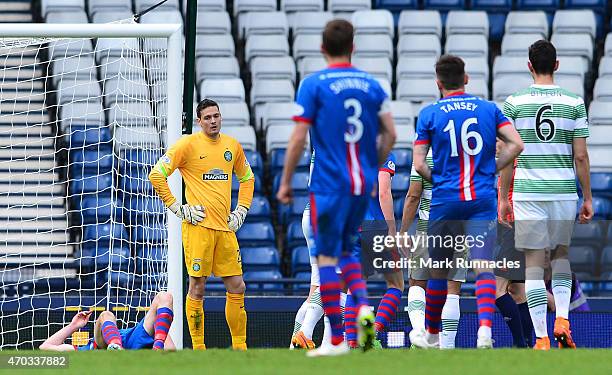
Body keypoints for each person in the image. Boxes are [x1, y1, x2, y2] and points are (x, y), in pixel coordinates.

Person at [277, 19, 397, 356]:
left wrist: (286, 181)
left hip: (327, 187)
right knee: (350, 262)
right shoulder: (372, 85)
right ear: (353, 48)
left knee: (329, 262)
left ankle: (334, 341)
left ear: (322, 49)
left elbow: (299, 137)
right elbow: (391, 134)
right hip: (360, 187)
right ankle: (362, 324)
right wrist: (372, 164)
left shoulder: (313, 84)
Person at [413, 54, 524, 348]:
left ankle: (433, 335)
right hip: (481, 199)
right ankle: (485, 331)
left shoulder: (429, 114)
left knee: (439, 271)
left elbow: (419, 163)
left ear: (438, 83)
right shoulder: (488, 109)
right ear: (466, 78)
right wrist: (492, 167)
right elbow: (517, 144)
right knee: (483, 267)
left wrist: (437, 179)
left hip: (445, 201)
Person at [499, 40, 593, 350]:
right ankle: (562, 318)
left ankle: (541, 337)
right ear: (556, 65)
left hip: (527, 192)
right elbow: (580, 156)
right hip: (563, 191)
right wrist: (588, 196)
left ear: (529, 65)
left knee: (534, 265)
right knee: (562, 256)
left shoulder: (513, 103)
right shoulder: (574, 102)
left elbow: (508, 155)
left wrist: (503, 197)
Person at [149, 98, 255, 350]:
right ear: (199, 121)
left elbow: (248, 178)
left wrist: (242, 209)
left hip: (226, 229)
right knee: (197, 288)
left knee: (237, 285)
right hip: (198, 229)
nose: (213, 121)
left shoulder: (232, 146)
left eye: (216, 116)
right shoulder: (187, 145)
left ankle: (240, 347)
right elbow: (157, 175)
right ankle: (198, 348)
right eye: (207, 118)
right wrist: (178, 208)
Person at [400, 149, 469, 349]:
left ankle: (421, 335)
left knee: (416, 283)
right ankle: (447, 347)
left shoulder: (424, 155)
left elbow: (413, 196)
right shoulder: (467, 155)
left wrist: (403, 231)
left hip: (427, 229)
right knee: (452, 289)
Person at [344, 153, 404, 349]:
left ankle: (352, 342)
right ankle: (373, 333)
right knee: (396, 284)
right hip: (376, 226)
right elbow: (384, 192)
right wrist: (392, 231)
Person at [291, 151, 347, 350]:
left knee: (316, 288)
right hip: (329, 216)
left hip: (312, 212)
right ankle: (311, 336)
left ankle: (296, 344)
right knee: (338, 281)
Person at [494, 139, 533, 348]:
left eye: (498, 139)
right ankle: (527, 342)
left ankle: (520, 343)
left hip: (515, 227)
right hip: (516, 228)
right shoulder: (509, 162)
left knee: (497, 288)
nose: (494, 143)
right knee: (518, 291)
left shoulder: (513, 162)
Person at [40, 291, 175, 351]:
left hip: (127, 339)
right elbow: (45, 349)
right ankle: (115, 347)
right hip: (116, 347)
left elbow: (45, 347)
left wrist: (73, 326)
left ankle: (116, 347)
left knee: (165, 297)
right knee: (106, 315)